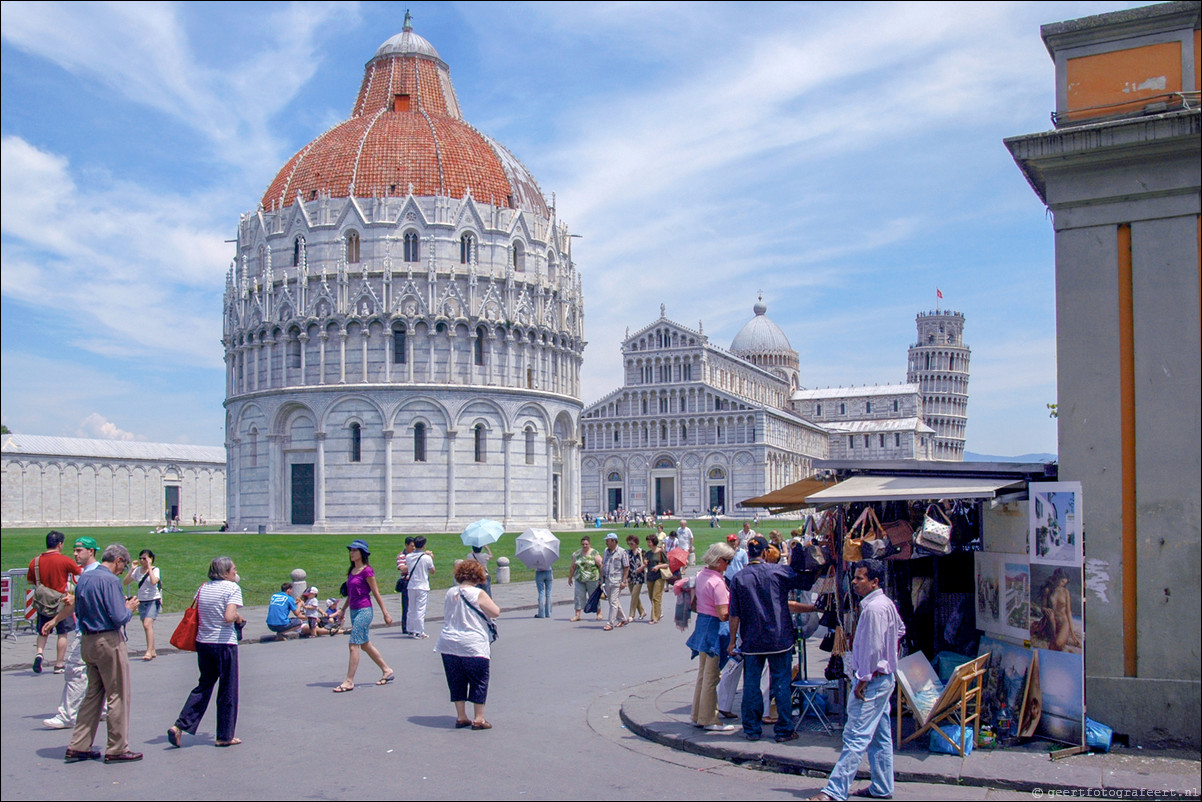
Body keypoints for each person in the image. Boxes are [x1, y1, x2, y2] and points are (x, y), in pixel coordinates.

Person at [813, 559, 906, 802]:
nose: (854, 583)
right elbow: (899, 631)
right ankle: (882, 786)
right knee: (880, 736)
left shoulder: (875, 609)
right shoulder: (884, 605)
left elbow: (873, 648)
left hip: (872, 680)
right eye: (854, 578)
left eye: (860, 578)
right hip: (882, 678)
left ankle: (834, 791)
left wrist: (864, 677)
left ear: (874, 582)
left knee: (856, 736)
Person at [727, 535, 814, 744]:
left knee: (751, 685)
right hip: (778, 636)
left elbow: (734, 614)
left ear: (749, 554)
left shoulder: (739, 577)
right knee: (781, 683)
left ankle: (752, 728)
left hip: (752, 639)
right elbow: (803, 582)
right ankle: (784, 728)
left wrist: (732, 641)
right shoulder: (777, 571)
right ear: (765, 553)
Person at [65, 543, 140, 764]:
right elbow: (118, 617)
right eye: (123, 566)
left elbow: (79, 608)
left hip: (87, 639)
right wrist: (130, 609)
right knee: (117, 693)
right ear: (118, 560)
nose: (122, 570)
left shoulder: (86, 578)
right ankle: (117, 747)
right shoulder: (110, 580)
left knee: (93, 693)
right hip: (107, 639)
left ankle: (79, 744)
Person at [167, 556, 246, 749]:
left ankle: (180, 725)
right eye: (233, 570)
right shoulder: (232, 588)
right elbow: (228, 616)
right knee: (228, 688)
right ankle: (225, 735)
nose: (236, 573)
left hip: (204, 642)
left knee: (204, 685)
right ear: (225, 572)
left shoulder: (203, 588)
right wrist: (237, 616)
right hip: (223, 643)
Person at [42, 537, 102, 729]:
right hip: (91, 630)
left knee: (74, 671)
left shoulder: (95, 575)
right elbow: (77, 602)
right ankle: (104, 709)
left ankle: (67, 715)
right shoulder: (86, 574)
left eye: (79, 550)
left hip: (89, 631)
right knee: (99, 672)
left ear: (91, 551)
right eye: (74, 550)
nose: (75, 554)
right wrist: (55, 620)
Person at [435, 560, 501, 730]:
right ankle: (479, 718)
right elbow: (495, 612)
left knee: (456, 679)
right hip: (473, 643)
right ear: (478, 576)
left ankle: (461, 716)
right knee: (479, 680)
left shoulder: (450, 592)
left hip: (448, 641)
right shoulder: (478, 593)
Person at [685, 542, 736, 731]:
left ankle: (697, 714)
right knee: (712, 676)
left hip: (703, 624)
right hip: (715, 627)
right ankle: (709, 718)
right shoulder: (717, 582)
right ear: (719, 560)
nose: (728, 565)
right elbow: (723, 613)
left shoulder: (701, 575)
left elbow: (695, 603)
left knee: (703, 674)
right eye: (727, 561)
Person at [333, 540, 395, 691]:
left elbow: (376, 592)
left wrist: (386, 613)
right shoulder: (352, 571)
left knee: (353, 644)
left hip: (364, 610)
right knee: (365, 644)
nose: (351, 553)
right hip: (354, 610)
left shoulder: (367, 571)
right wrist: (342, 610)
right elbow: (351, 594)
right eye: (351, 550)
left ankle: (349, 681)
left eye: (355, 550)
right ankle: (387, 670)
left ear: (362, 553)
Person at [27, 530, 82, 674]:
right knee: (62, 633)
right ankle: (59, 664)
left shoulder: (36, 561)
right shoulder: (64, 560)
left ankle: (39, 653)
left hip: (43, 601)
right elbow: (79, 572)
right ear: (59, 544)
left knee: (43, 630)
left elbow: (31, 580)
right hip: (61, 601)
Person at [122, 549, 162, 660]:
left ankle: (148, 652)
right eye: (140, 558)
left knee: (147, 624)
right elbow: (125, 582)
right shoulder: (138, 570)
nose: (141, 560)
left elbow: (154, 582)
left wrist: (149, 567)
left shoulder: (155, 570)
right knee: (147, 626)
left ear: (151, 559)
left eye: (144, 558)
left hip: (153, 600)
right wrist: (132, 570)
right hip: (142, 600)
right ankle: (152, 650)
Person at [404, 536, 435, 639]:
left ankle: (410, 629)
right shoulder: (427, 558)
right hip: (422, 585)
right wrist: (430, 556)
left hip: (411, 585)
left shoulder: (408, 557)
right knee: (420, 609)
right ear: (424, 545)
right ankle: (419, 631)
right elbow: (432, 571)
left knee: (411, 608)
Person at [566, 536, 602, 622]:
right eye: (583, 544)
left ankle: (599, 613)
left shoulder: (594, 553)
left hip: (592, 579)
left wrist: (602, 578)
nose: (584, 546)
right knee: (578, 597)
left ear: (589, 544)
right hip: (580, 579)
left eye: (586, 544)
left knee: (593, 597)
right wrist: (570, 577)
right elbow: (573, 567)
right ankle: (577, 615)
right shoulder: (577, 554)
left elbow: (601, 565)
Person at [600, 533, 630, 631]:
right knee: (613, 601)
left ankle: (610, 623)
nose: (606, 543)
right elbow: (603, 565)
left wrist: (624, 581)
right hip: (608, 579)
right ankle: (622, 619)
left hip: (617, 580)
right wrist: (601, 579)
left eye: (608, 541)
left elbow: (626, 567)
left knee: (613, 601)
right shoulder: (606, 551)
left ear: (614, 541)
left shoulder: (622, 552)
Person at [643, 534, 669, 624]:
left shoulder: (661, 552)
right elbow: (645, 562)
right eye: (647, 542)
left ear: (654, 542)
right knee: (651, 596)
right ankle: (658, 611)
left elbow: (667, 564)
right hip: (650, 576)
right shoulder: (648, 553)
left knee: (656, 597)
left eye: (649, 542)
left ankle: (655, 617)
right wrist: (645, 562)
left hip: (659, 576)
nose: (648, 544)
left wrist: (658, 566)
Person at [396, 537, 416, 633]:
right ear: (406, 545)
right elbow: (402, 568)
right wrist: (415, 564)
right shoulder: (401, 556)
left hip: (416, 582)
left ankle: (414, 626)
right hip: (407, 582)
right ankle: (405, 627)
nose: (413, 548)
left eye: (414, 546)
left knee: (415, 606)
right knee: (406, 605)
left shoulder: (416, 555)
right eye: (412, 546)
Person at [626, 534, 647, 621]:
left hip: (639, 576)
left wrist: (641, 568)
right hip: (630, 576)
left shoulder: (642, 552)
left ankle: (631, 615)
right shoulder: (627, 553)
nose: (630, 546)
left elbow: (646, 563)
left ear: (636, 543)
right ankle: (642, 611)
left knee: (634, 595)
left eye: (632, 544)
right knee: (635, 595)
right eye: (629, 544)